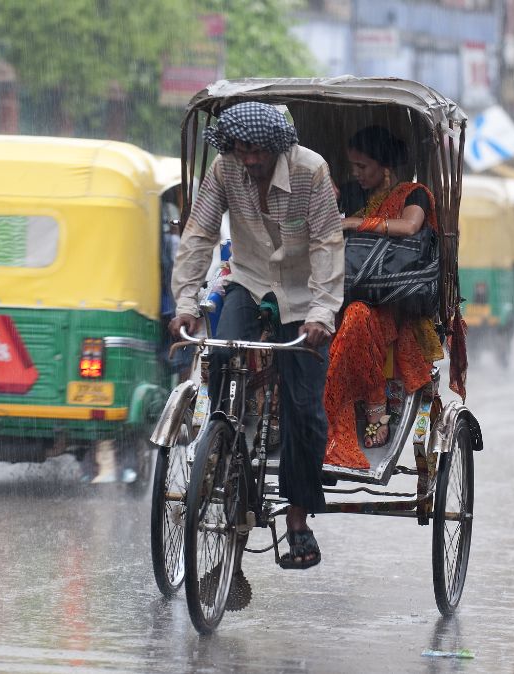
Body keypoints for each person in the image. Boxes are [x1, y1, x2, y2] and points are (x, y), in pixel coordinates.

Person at [170, 101, 343, 571]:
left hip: (305, 293)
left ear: (277, 147)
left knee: (304, 406)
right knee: (221, 359)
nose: (248, 160)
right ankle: (223, 450)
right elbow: (200, 233)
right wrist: (186, 302)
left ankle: (299, 518)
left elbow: (328, 242)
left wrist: (323, 313)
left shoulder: (311, 171)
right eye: (240, 150)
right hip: (246, 280)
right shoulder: (225, 170)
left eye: (256, 152)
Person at [323, 126, 443, 469]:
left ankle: (376, 403)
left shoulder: (413, 194)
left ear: (385, 166)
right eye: (353, 167)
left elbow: (409, 227)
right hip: (340, 292)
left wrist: (356, 223)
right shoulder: (346, 193)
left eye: (363, 167)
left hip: (393, 300)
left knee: (358, 316)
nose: (357, 174)